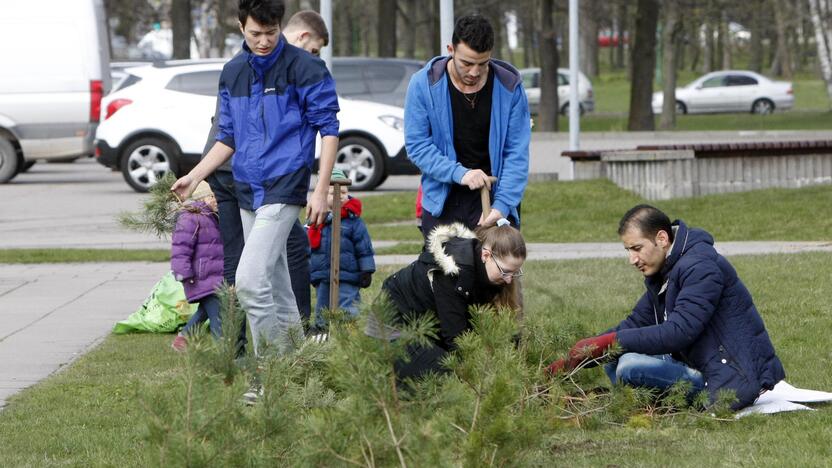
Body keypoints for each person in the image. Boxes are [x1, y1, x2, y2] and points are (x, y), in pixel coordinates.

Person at [171, 0, 340, 367]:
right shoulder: (233, 72)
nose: (263, 41)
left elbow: (329, 129)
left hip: (285, 185)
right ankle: (298, 367)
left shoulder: (306, 67)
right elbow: (227, 136)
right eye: (255, 33)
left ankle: (269, 373)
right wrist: (195, 174)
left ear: (281, 26)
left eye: (271, 32)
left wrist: (321, 188)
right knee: (277, 285)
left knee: (249, 282)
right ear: (240, 26)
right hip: (246, 189)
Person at [547, 205, 785, 410]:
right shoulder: (669, 268)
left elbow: (678, 333)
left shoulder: (700, 267)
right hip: (697, 363)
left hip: (727, 381)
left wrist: (607, 343)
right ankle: (638, 402)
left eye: (637, 249)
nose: (632, 260)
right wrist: (575, 357)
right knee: (614, 355)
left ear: (662, 239)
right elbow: (634, 324)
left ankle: (643, 403)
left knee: (629, 366)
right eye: (628, 251)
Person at [404, 14, 530, 237]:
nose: (474, 72)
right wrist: (460, 173)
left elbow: (516, 154)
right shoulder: (423, 84)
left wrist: (501, 206)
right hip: (443, 198)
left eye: (483, 64)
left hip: (494, 197)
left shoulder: (510, 86)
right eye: (467, 63)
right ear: (450, 49)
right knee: (447, 271)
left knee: (499, 270)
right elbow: (418, 146)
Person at [367, 220, 526, 381]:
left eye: (515, 272)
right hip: (391, 329)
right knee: (450, 376)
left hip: (427, 328)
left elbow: (500, 326)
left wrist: (513, 362)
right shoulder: (452, 272)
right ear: (486, 255)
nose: (508, 280)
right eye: (505, 272)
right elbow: (457, 339)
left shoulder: (492, 274)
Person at [307, 169, 375, 332]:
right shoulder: (315, 220)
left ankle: (348, 332)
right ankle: (323, 333)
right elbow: (307, 246)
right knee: (323, 306)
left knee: (347, 304)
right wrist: (307, 268)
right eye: (333, 193)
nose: (340, 195)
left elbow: (364, 247)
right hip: (323, 274)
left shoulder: (353, 221)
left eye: (343, 192)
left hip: (347, 274)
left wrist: (367, 269)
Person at [170, 182, 224, 351]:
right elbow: (180, 248)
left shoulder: (211, 217)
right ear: (201, 198)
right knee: (218, 314)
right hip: (200, 276)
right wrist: (183, 272)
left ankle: (184, 338)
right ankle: (223, 348)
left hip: (214, 275)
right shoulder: (191, 218)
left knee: (205, 311)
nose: (216, 200)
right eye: (211, 196)